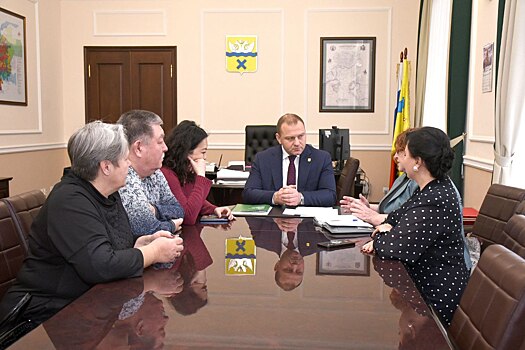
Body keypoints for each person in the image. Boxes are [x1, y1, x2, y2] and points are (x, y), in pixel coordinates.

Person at [0, 121, 184, 334]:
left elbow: (107, 245)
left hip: (88, 306)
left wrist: (139, 243)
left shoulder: (107, 193)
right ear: (106, 167)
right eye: (125, 160)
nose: (130, 166)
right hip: (44, 317)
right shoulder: (70, 200)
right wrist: (152, 253)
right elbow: (101, 265)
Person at [361, 127, 469, 326]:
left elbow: (393, 248)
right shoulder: (430, 188)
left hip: (433, 298)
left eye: (405, 153)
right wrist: (388, 228)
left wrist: (381, 235)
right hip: (421, 285)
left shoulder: (436, 198)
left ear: (418, 161)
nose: (399, 156)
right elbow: (394, 218)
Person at [243, 113, 336, 207]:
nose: (297, 143)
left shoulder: (321, 158)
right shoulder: (263, 159)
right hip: (273, 218)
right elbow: (248, 194)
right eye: (290, 138)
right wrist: (275, 197)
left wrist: (301, 198)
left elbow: (330, 195)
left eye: (301, 136)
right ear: (279, 138)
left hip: (306, 219)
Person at [117, 110, 184, 236]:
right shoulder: (124, 176)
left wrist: (155, 211)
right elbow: (148, 228)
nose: (165, 147)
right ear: (138, 148)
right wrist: (172, 225)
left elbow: (179, 210)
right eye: (160, 142)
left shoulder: (155, 172)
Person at [340, 128, 418, 226]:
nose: (395, 157)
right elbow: (388, 208)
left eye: (400, 152)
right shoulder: (403, 178)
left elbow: (407, 219)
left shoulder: (418, 183)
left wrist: (373, 216)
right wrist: (366, 207)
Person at [161, 120, 233, 225]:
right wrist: (201, 176)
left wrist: (213, 209)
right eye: (203, 152)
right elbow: (188, 216)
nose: (205, 157)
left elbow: (194, 200)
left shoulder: (185, 171)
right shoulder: (167, 174)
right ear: (186, 152)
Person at [247, 217, 325, 291]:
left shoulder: (262, 239)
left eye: (288, 269)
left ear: (277, 265)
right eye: (299, 271)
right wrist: (301, 219)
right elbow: (331, 215)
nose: (295, 265)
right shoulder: (319, 243)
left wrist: (275, 218)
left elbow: (249, 209)